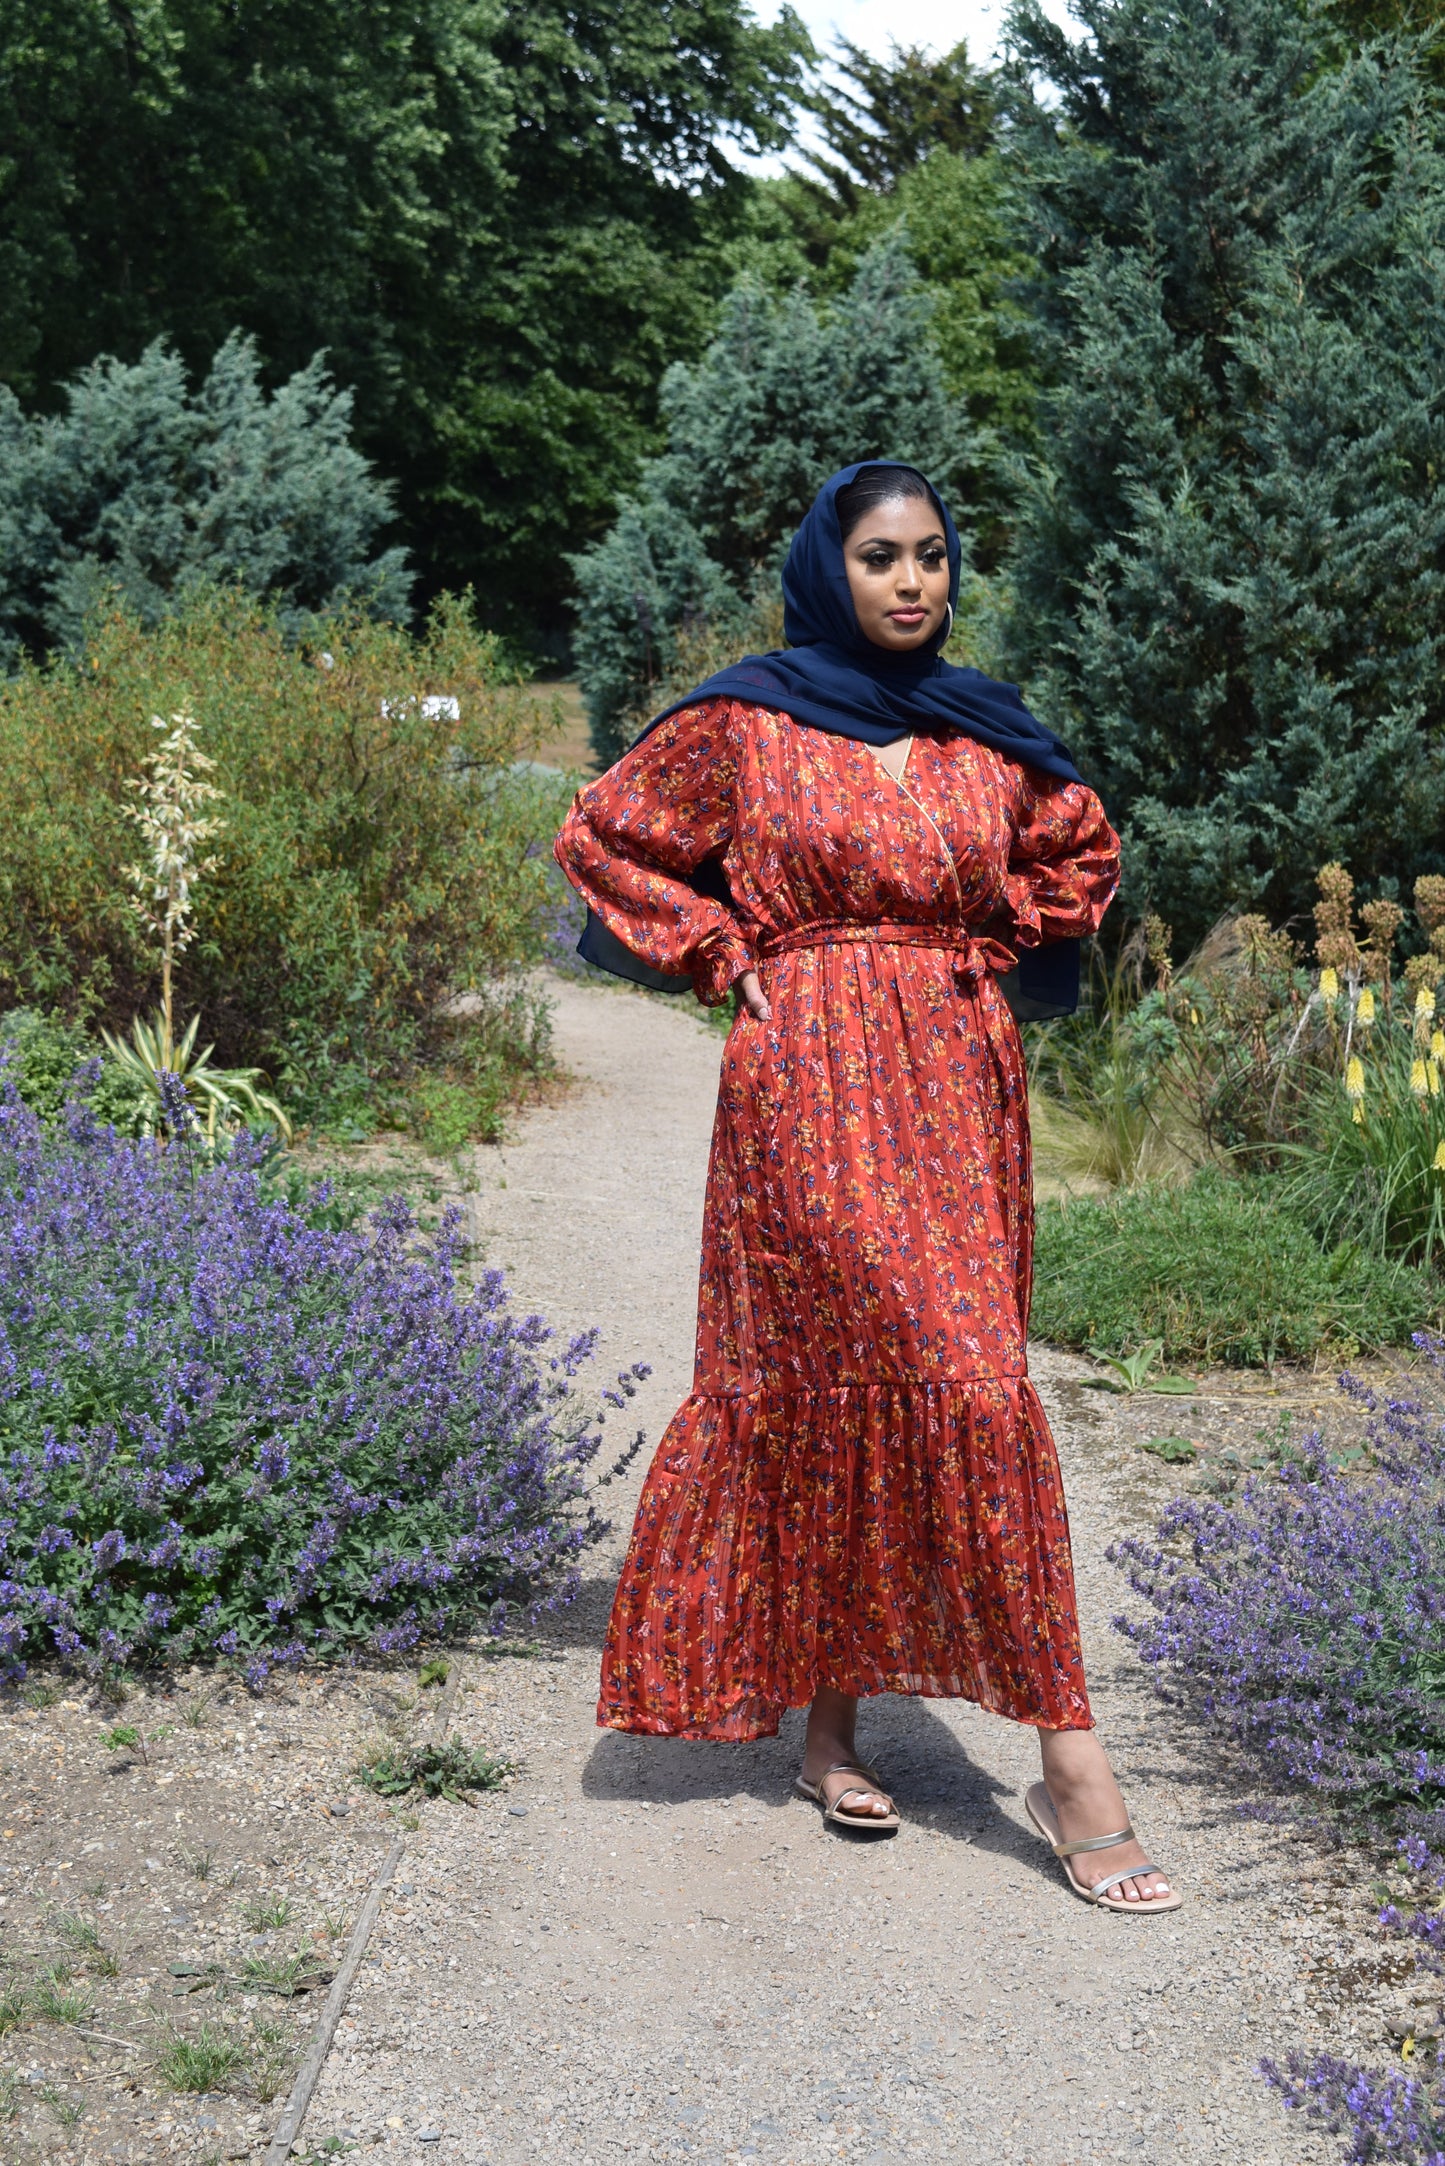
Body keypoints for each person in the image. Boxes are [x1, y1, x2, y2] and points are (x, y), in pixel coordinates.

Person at [554, 461, 1177, 1911]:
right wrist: (728, 958)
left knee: (962, 1381)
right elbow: (604, 834)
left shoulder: (983, 730)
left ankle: (914, 1735)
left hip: (953, 1090)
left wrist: (990, 942)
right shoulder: (746, 719)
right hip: (802, 1097)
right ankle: (1027, 1759)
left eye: (934, 557)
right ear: (829, 569)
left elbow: (1082, 850)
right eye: (884, 557)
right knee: (847, 1374)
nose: (913, 582)